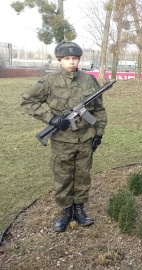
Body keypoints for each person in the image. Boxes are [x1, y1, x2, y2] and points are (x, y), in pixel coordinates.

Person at [20, 40, 107, 232]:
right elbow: (27, 101)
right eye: (67, 58)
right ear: (60, 60)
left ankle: (79, 209)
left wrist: (98, 133)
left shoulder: (89, 81)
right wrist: (51, 119)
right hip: (62, 141)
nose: (71, 62)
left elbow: (99, 109)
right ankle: (66, 211)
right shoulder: (49, 82)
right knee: (63, 177)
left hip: (85, 139)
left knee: (83, 175)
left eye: (75, 58)